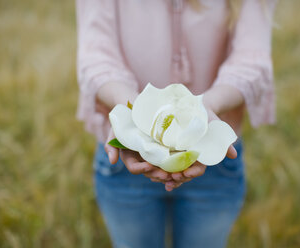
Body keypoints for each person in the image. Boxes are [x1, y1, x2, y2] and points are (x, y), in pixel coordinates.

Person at [76, 0, 276, 247]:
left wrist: (209, 105)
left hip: (213, 156)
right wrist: (130, 108)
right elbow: (95, 55)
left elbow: (252, 59)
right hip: (128, 156)